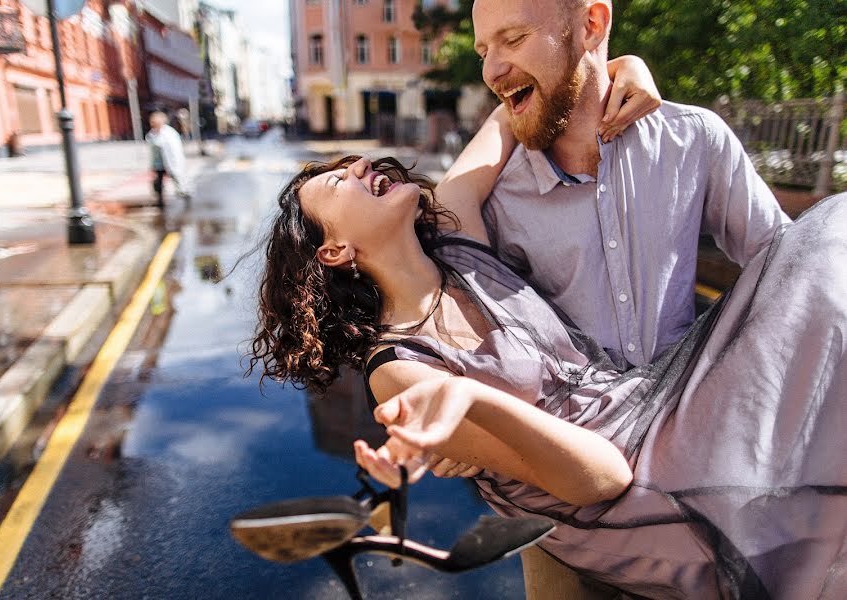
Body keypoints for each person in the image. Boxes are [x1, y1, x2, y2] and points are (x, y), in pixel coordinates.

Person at [249, 155, 845, 599]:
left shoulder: (457, 243)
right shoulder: (402, 373)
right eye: (337, 182)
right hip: (635, 498)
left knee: (827, 240)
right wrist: (468, 398)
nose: (359, 165)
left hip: (650, 405)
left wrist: (625, 68)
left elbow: (516, 97)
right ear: (334, 251)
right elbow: (601, 481)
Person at [439, 0, 790, 371]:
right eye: (483, 53)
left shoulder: (692, 139)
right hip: (576, 426)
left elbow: (788, 262)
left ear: (591, 24)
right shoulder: (496, 201)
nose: (491, 71)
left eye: (513, 39)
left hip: (691, 419)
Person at [145, 111, 191, 207]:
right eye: (152, 122)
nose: (153, 124)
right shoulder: (152, 134)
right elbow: (152, 151)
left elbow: (175, 149)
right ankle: (160, 199)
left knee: (178, 177)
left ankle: (185, 193)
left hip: (171, 161)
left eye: (155, 122)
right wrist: (152, 164)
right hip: (159, 163)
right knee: (159, 181)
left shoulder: (169, 133)